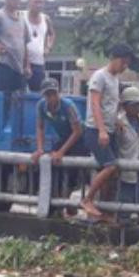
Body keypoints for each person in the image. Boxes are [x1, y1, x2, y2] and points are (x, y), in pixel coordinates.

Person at [80, 44, 137, 221]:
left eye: (127, 64)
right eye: (123, 63)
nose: (125, 67)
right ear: (115, 58)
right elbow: (95, 104)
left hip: (109, 130)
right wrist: (102, 130)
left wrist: (117, 120)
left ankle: (104, 209)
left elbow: (111, 105)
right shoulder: (99, 76)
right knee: (110, 165)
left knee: (113, 172)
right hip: (95, 130)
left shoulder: (115, 79)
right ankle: (87, 199)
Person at [31, 78, 84, 214]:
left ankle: (67, 200)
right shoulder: (41, 106)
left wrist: (61, 151)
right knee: (51, 164)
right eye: (48, 94)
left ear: (58, 93)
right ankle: (56, 203)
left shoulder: (68, 106)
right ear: (44, 95)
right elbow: (40, 128)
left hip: (80, 139)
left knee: (71, 169)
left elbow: (77, 131)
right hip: (64, 137)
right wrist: (40, 149)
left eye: (53, 93)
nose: (51, 97)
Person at [114, 86, 139, 223]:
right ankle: (124, 225)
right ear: (125, 106)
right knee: (126, 200)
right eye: (133, 105)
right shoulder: (119, 122)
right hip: (127, 166)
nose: (137, 108)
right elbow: (116, 145)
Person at [24, 0, 55, 93]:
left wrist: (48, 47)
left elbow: (52, 34)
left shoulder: (45, 18)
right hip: (21, 63)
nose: (39, 5)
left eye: (42, 2)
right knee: (18, 95)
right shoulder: (20, 17)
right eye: (36, 2)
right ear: (29, 3)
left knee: (38, 94)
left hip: (38, 63)